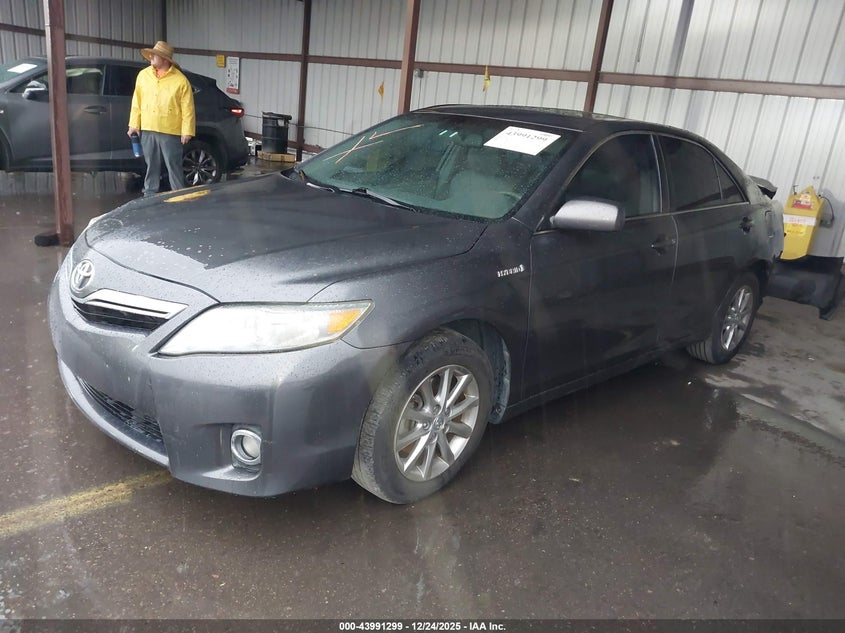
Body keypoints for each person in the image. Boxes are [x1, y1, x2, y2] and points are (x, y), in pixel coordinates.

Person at [128, 41, 195, 197]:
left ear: (165, 59)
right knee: (151, 164)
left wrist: (187, 131)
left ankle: (178, 194)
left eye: (155, 55)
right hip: (148, 127)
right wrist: (134, 125)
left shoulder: (180, 80)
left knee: (173, 164)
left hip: (170, 130)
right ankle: (150, 194)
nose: (151, 57)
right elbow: (136, 102)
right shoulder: (143, 76)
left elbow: (188, 109)